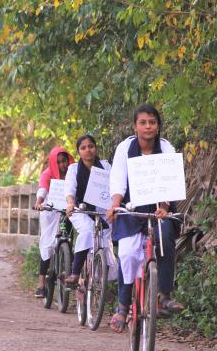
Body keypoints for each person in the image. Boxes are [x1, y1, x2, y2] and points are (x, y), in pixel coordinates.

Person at [106, 104, 184, 333]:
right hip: (131, 206)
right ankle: (122, 306)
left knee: (166, 237)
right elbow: (118, 179)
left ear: (158, 125)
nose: (148, 126)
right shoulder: (125, 148)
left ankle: (164, 295)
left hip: (161, 205)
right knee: (128, 253)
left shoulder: (166, 148)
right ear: (135, 126)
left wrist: (164, 205)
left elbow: (169, 179)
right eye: (143, 122)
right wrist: (115, 204)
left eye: (152, 122)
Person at [64, 135, 116, 286]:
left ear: (96, 148)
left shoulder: (106, 167)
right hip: (80, 210)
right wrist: (70, 203)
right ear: (79, 152)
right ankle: (75, 273)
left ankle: (101, 285)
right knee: (88, 230)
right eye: (83, 148)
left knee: (104, 243)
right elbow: (69, 189)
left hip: (102, 211)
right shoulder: (73, 169)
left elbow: (114, 187)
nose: (88, 150)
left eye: (91, 146)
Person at [33, 146, 74, 298]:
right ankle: (41, 284)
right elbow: (42, 190)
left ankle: (68, 270)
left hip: (67, 211)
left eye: (64, 161)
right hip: (50, 210)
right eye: (59, 162)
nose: (62, 165)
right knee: (47, 245)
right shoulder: (47, 173)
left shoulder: (73, 173)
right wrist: (39, 202)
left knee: (68, 240)